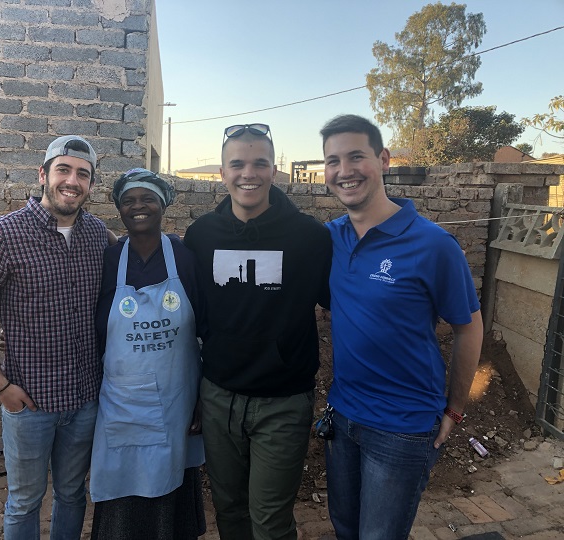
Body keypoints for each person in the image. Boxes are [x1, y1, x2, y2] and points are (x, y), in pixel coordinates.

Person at [319, 114, 484, 540]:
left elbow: (469, 328)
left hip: (402, 426)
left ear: (384, 160)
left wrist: (454, 409)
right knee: (345, 529)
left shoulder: (433, 244)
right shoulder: (329, 238)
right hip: (343, 415)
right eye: (333, 160)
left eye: (356, 156)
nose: (344, 170)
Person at [0, 135, 108, 539]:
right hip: (30, 402)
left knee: (73, 493)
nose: (72, 181)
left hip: (85, 399)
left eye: (82, 174)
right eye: (63, 170)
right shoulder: (3, 235)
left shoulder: (99, 237)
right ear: (43, 175)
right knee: (24, 498)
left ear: (91, 184)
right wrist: (0, 385)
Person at [184, 123, 333, 540]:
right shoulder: (201, 236)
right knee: (230, 512)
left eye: (260, 163)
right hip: (218, 397)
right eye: (237, 164)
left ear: (273, 170)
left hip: (283, 400)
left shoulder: (310, 237)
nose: (248, 173)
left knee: (269, 521)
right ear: (222, 172)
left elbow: (343, 304)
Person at [89, 168, 207, 539]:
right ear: (119, 210)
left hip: (177, 400)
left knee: (172, 480)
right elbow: (95, 331)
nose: (138, 207)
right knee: (124, 489)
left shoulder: (184, 258)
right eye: (129, 201)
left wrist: (202, 398)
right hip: (122, 401)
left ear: (163, 205)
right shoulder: (109, 261)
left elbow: (205, 328)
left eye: (147, 199)